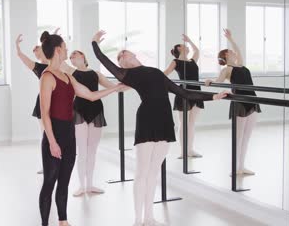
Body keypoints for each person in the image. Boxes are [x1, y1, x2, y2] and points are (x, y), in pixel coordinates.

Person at [91, 30, 227, 226]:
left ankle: (149, 217)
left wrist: (213, 97)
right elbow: (103, 60)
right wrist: (95, 42)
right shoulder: (127, 74)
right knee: (142, 172)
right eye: (121, 56)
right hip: (146, 120)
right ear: (122, 64)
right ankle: (138, 220)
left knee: (154, 172)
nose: (124, 54)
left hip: (164, 121)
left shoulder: (155, 71)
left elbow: (183, 92)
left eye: (126, 52)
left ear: (134, 55)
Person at [38, 31, 123, 226]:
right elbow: (45, 113)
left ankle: (63, 221)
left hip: (69, 133)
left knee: (64, 181)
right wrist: (51, 142)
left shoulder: (67, 75)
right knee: (50, 182)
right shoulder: (47, 77)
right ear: (58, 50)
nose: (67, 49)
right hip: (55, 135)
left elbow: (90, 95)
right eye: (65, 47)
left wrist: (115, 88)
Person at [205, 29, 261, 176]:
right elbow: (218, 82)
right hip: (240, 102)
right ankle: (234, 168)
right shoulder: (227, 69)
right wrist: (210, 81)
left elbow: (238, 50)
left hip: (253, 101)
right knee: (238, 138)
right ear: (225, 55)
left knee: (247, 139)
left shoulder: (241, 64)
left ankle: (241, 166)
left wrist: (231, 39)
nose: (234, 52)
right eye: (230, 51)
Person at [68, 50, 116, 196]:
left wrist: (130, 83)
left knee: (92, 151)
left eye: (75, 54)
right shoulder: (71, 73)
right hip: (79, 110)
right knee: (82, 150)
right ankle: (81, 186)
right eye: (70, 56)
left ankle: (90, 185)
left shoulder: (96, 73)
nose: (72, 57)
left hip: (96, 110)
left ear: (83, 56)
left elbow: (112, 86)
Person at [164, 34, 203, 158]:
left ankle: (190, 149)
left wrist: (190, 40)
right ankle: (183, 151)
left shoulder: (192, 61)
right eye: (183, 45)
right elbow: (165, 73)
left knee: (191, 123)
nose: (186, 46)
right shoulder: (176, 62)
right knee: (183, 123)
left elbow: (197, 51)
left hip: (196, 93)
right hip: (184, 93)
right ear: (179, 49)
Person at [15, 34, 48, 174]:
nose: (35, 50)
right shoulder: (39, 67)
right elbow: (23, 58)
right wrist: (17, 47)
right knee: (45, 135)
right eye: (34, 51)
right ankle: (46, 165)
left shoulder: (58, 64)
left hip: (58, 103)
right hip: (43, 103)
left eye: (38, 48)